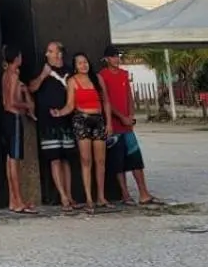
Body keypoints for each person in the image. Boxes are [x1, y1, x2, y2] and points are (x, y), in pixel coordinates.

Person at [51, 51, 113, 212]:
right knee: (86, 161)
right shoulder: (72, 81)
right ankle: (89, 198)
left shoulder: (97, 79)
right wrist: (60, 112)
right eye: (79, 63)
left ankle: (101, 196)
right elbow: (70, 105)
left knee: (100, 161)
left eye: (85, 62)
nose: (83, 65)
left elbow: (106, 102)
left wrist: (109, 123)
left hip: (98, 119)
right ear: (75, 66)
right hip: (82, 119)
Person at [101, 47, 157, 204]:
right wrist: (120, 117)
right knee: (118, 162)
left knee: (135, 158)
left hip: (127, 125)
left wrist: (131, 115)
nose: (116, 59)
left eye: (117, 56)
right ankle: (125, 194)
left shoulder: (124, 74)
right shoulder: (103, 76)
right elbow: (106, 101)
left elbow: (129, 97)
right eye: (113, 57)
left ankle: (143, 192)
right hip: (115, 125)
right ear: (106, 59)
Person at [29, 40, 76, 211]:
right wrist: (43, 75)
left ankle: (70, 194)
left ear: (59, 54)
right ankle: (62, 196)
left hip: (66, 121)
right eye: (47, 51)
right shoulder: (42, 69)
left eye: (51, 51)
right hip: (48, 122)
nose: (47, 54)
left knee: (65, 159)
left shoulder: (69, 73)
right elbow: (32, 88)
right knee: (54, 158)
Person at [1, 45, 36, 214]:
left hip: (6, 118)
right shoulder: (14, 74)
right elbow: (12, 102)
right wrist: (27, 104)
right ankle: (19, 201)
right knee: (14, 162)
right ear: (16, 59)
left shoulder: (5, 74)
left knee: (9, 161)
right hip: (13, 118)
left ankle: (12, 200)